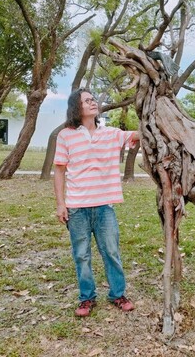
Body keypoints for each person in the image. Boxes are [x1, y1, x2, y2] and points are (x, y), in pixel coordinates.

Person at [53, 88, 139, 317]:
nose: (93, 102)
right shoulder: (66, 135)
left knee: (111, 251)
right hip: (77, 207)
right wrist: (61, 204)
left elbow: (139, 135)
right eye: (87, 100)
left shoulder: (111, 133)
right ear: (76, 107)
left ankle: (118, 294)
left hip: (104, 207)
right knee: (81, 255)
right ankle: (87, 298)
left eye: (93, 99)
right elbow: (59, 171)